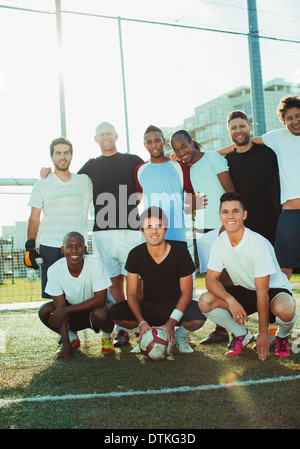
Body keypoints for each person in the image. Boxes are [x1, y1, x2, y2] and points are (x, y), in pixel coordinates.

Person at [42, 123, 144, 347]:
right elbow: (69, 180)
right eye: (101, 134)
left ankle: (141, 324)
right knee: (114, 281)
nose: (106, 137)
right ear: (95, 139)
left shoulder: (133, 160)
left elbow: (147, 181)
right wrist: (47, 174)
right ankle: (123, 327)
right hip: (102, 232)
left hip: (131, 230)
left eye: (109, 133)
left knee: (135, 280)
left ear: (116, 136)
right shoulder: (90, 166)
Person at [198, 191, 297, 360]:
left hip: (272, 291)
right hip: (246, 290)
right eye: (225, 212)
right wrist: (231, 301)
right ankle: (242, 335)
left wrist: (264, 333)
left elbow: (262, 292)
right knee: (205, 301)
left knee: (286, 310)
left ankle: (280, 336)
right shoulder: (220, 242)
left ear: (244, 215)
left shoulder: (257, 244)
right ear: (220, 215)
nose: (230, 216)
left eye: (235, 211)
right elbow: (211, 280)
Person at [221, 96, 300, 279]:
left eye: (298, 116)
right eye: (289, 118)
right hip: (289, 214)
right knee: (283, 268)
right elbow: (244, 141)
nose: (295, 121)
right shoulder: (277, 137)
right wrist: (203, 156)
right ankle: (279, 306)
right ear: (284, 121)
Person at [109, 206, 206, 353]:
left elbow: (186, 293)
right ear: (142, 231)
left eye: (158, 226)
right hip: (149, 307)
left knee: (201, 313)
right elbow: (131, 294)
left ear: (165, 229)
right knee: (115, 312)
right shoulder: (135, 254)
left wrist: (171, 323)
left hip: (175, 307)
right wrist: (142, 322)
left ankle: (180, 336)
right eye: (148, 227)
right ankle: (147, 334)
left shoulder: (180, 252)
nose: (154, 231)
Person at [170, 129, 235, 345]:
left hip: (221, 229)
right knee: (212, 283)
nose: (181, 152)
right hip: (202, 231)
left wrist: (228, 224)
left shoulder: (213, 158)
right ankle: (222, 331)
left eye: (183, 146)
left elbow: (230, 192)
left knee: (227, 281)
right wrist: (192, 204)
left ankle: (237, 331)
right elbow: (188, 205)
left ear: (191, 142)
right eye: (176, 150)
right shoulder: (186, 169)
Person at [25, 137, 92, 304]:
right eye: (58, 153)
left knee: (82, 297)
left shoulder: (85, 181)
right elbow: (34, 217)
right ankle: (66, 331)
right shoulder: (42, 184)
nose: (63, 157)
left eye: (66, 153)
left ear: (71, 156)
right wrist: (29, 246)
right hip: (50, 246)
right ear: (52, 157)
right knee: (55, 300)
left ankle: (77, 328)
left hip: (77, 247)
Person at [38, 232, 115, 359]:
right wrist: (65, 344)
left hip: (96, 310)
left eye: (78, 246)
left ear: (85, 249)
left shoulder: (96, 264)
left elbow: (100, 300)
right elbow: (59, 307)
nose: (74, 250)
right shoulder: (54, 270)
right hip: (73, 312)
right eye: (69, 246)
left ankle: (107, 337)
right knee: (45, 310)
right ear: (62, 250)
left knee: (101, 313)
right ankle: (71, 338)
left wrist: (66, 310)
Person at [222, 110, 281, 245]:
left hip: (276, 225)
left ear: (249, 127)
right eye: (233, 128)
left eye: (242, 126)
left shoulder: (268, 152)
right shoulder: (227, 161)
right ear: (228, 132)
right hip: (247, 229)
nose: (238, 130)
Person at [135, 125, 197, 245]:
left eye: (157, 140)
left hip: (177, 236)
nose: (154, 145)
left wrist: (185, 208)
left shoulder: (180, 166)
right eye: (149, 142)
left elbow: (193, 195)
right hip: (151, 238)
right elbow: (137, 201)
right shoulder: (140, 170)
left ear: (163, 141)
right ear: (144, 145)